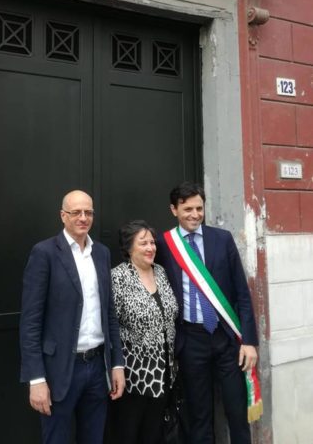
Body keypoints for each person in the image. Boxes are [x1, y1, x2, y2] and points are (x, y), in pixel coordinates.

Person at [155, 181, 258, 444]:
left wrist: (249, 341)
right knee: (199, 416)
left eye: (199, 208)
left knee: (237, 413)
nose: (195, 214)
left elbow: (241, 293)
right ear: (174, 210)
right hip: (191, 340)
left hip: (226, 339)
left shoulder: (222, 239)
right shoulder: (164, 245)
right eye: (187, 209)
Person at [19, 190, 125, 444]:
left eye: (88, 212)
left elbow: (109, 313)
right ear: (63, 215)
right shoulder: (44, 253)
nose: (83, 218)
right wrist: (36, 379)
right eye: (76, 212)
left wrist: (117, 364)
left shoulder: (101, 253)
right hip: (59, 370)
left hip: (97, 367)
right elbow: (30, 322)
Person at [109, 220, 178, 444]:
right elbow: (110, 325)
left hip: (164, 373)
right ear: (129, 248)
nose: (150, 248)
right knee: (128, 435)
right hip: (133, 376)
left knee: (154, 434)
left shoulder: (161, 272)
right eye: (143, 243)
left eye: (152, 242)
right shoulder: (117, 277)